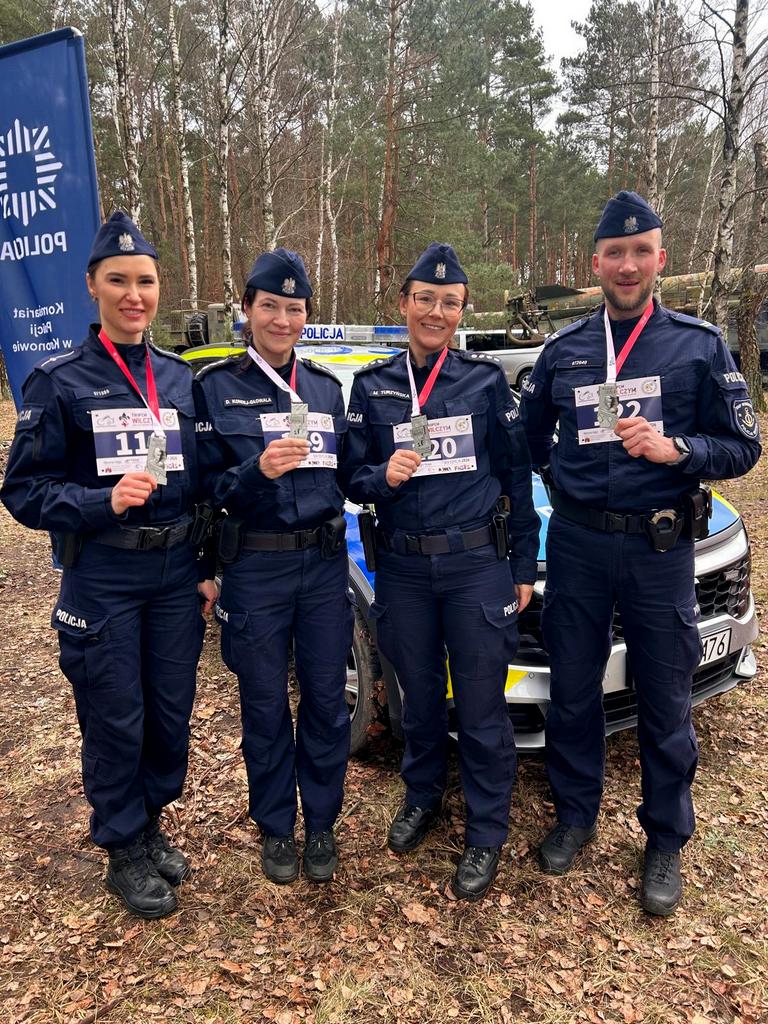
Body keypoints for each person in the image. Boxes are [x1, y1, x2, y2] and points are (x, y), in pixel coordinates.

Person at [521, 191, 761, 915]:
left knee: (664, 695)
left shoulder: (699, 345)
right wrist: (565, 482)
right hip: (577, 546)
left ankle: (664, 838)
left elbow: (743, 445)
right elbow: (527, 441)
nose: (627, 265)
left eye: (640, 252)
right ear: (595, 264)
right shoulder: (563, 350)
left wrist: (677, 449)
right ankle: (574, 815)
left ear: (660, 258)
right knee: (573, 689)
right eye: (614, 254)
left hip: (659, 549)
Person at [1, 211, 216, 919]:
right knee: (115, 716)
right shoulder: (58, 381)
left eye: (145, 282)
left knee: (169, 713)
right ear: (92, 286)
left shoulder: (179, 379)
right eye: (118, 281)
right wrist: (101, 501)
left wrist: (206, 562)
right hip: (105, 576)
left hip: (175, 574)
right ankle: (122, 845)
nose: (134, 295)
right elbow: (23, 491)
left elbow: (202, 482)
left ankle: (149, 823)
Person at [340, 243, 539, 901]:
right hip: (402, 569)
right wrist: (381, 476)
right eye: (424, 298)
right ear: (403, 303)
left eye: (449, 302)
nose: (435, 311)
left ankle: (486, 830)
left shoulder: (484, 382)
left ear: (461, 311)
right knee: (419, 699)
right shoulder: (372, 387)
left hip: (475, 566)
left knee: (481, 705)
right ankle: (422, 796)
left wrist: (522, 563)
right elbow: (350, 476)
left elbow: (516, 475)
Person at [193, 249, 353, 885]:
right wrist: (255, 473)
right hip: (256, 567)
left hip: (323, 566)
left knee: (325, 702)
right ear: (247, 310)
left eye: (294, 308)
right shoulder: (214, 388)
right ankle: (276, 826)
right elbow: (203, 490)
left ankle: (321, 823)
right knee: (263, 705)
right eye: (270, 307)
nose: (283, 320)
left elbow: (348, 473)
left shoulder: (325, 388)